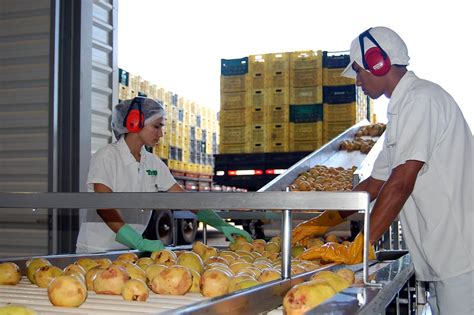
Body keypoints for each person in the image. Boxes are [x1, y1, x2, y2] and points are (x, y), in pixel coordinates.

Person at [292, 26, 473, 314]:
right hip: (442, 256)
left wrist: (362, 245)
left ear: (379, 62)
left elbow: (401, 182)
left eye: (359, 72)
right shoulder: (402, 111)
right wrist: (321, 221)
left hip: (460, 255)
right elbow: (375, 184)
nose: (357, 82)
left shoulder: (421, 100)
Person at [76, 97, 251, 254]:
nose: (161, 134)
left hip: (128, 252)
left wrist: (221, 224)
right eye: (157, 126)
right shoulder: (107, 156)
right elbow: (103, 205)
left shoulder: (152, 162)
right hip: (96, 250)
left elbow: (183, 199)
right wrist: (137, 241)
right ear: (134, 122)